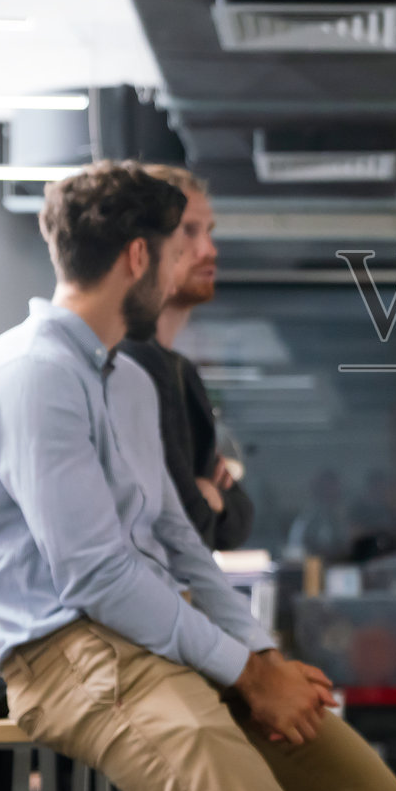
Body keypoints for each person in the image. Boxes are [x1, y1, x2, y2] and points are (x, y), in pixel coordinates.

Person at [0, 161, 396, 791]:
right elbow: (99, 578)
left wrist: (262, 657)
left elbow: (181, 541)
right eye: (173, 252)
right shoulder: (32, 374)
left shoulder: (128, 382)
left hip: (159, 627)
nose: (179, 272)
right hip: (72, 652)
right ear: (138, 256)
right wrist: (249, 673)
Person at [120, 164, 254, 552]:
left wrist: (212, 497)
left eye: (209, 233)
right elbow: (186, 525)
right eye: (189, 231)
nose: (208, 250)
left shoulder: (181, 372)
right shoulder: (130, 365)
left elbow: (237, 520)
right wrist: (207, 500)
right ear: (149, 244)